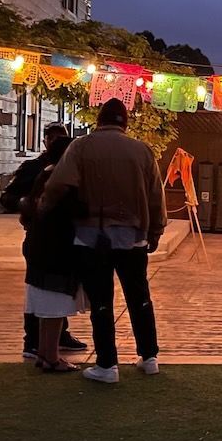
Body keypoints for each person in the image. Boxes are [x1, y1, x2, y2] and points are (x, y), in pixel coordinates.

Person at [41, 98, 167, 385]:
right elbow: (155, 197)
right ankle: (149, 357)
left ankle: (107, 364)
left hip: (91, 236)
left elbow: (57, 185)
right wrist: (156, 231)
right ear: (125, 122)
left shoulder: (81, 147)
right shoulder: (143, 151)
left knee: (102, 300)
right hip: (133, 237)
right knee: (140, 297)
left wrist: (44, 212)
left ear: (99, 120)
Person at [2, 122, 87, 359]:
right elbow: (8, 197)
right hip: (40, 237)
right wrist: (25, 204)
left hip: (61, 239)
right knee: (39, 288)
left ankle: (60, 335)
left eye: (60, 138)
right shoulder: (34, 169)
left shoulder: (71, 171)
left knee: (57, 291)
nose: (55, 143)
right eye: (52, 139)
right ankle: (32, 340)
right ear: (45, 142)